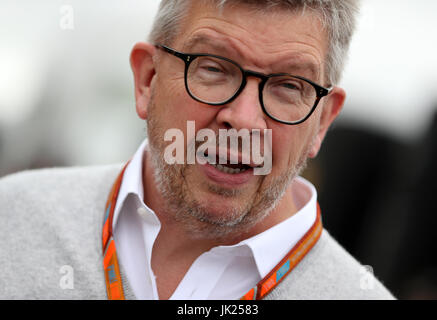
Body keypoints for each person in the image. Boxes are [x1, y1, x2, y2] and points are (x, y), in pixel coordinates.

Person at [0, 0, 394, 300]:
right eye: (213, 68)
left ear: (322, 121)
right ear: (147, 80)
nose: (243, 119)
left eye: (289, 86)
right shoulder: (13, 217)